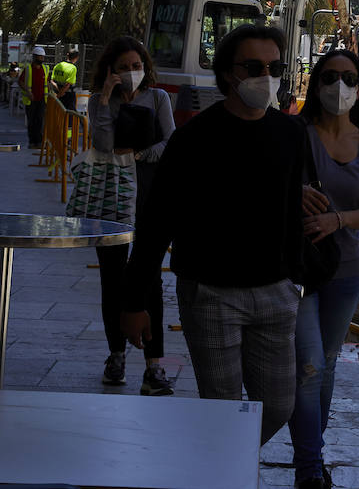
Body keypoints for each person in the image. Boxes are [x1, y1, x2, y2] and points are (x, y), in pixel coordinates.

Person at [122, 24, 306, 444]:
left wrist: (297, 277)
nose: (266, 75)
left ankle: (219, 458)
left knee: (278, 404)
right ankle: (222, 467)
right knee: (220, 406)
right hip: (211, 293)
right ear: (228, 74)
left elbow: (293, 208)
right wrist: (133, 302)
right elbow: (156, 224)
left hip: (276, 292)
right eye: (254, 66)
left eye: (274, 66)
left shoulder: (291, 133)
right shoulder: (193, 139)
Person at [289, 48, 359, 489]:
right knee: (308, 364)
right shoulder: (296, 134)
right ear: (316, 83)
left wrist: (339, 219)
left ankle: (313, 447)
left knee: (326, 363)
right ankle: (309, 467)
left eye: (349, 78)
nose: (339, 86)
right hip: (297, 267)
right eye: (330, 77)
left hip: (345, 269)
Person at [87, 36, 176, 396]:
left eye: (136, 66)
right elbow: (103, 145)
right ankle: (116, 355)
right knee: (112, 279)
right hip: (110, 200)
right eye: (123, 67)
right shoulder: (98, 101)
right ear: (110, 70)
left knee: (149, 280)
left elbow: (170, 142)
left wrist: (137, 157)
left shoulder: (158, 98)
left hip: (149, 199)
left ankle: (154, 366)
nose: (130, 72)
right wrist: (107, 98)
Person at [24, 46, 50, 146]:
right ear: (34, 57)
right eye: (39, 57)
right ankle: (32, 141)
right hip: (31, 100)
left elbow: (47, 82)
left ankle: (39, 141)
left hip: (42, 100)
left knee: (39, 120)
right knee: (31, 121)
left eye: (42, 57)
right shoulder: (28, 69)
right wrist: (28, 92)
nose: (41, 59)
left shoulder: (45, 69)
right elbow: (21, 82)